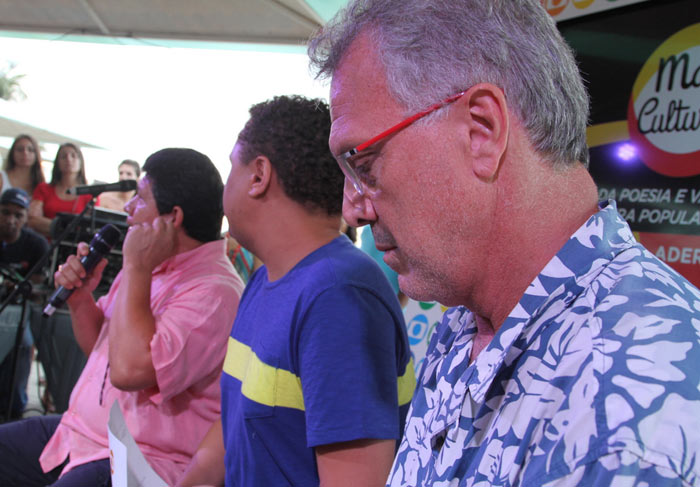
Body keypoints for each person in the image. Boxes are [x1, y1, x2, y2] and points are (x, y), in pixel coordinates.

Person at [308, 1, 700, 485]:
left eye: (361, 163)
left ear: (481, 130)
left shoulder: (634, 413)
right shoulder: (465, 323)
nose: (354, 208)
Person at [177, 95, 414, 487]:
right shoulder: (268, 278)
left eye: (231, 165)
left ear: (258, 176)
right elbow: (237, 424)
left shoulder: (338, 298)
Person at [0, 148, 245, 486]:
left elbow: (129, 371)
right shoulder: (148, 264)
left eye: (140, 199)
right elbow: (102, 353)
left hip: (140, 458)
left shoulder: (215, 292)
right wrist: (81, 298)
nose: (128, 208)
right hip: (79, 435)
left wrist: (136, 268)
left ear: (172, 217)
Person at [0, 188, 49, 420]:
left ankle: (14, 407)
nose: (10, 220)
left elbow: (40, 287)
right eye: (5, 213)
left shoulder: (36, 244)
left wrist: (17, 286)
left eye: (18, 215)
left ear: (26, 217)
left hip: (19, 311)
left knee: (22, 344)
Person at [28, 143, 96, 238]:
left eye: (73, 155)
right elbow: (33, 220)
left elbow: (89, 229)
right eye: (63, 156)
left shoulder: (91, 195)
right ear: (57, 162)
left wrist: (51, 226)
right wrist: (68, 228)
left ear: (81, 162)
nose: (68, 159)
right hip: (43, 245)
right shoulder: (43, 188)